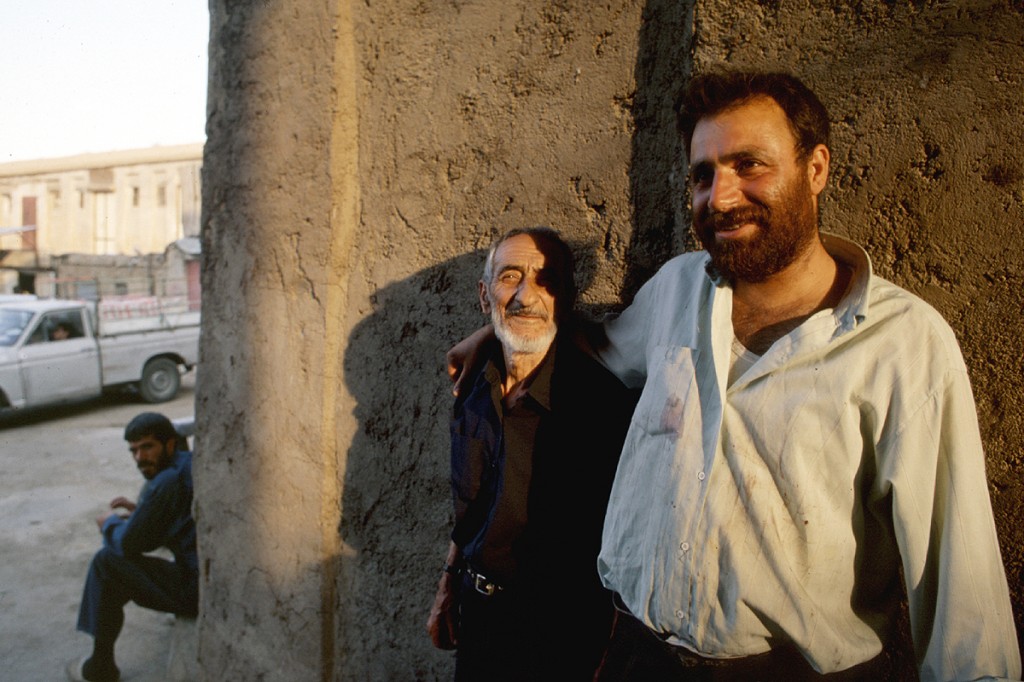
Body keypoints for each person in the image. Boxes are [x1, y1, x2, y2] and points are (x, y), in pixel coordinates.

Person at [449, 71, 1021, 681]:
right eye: (703, 174)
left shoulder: (901, 344)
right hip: (635, 658)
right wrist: (508, 323)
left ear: (816, 168)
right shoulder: (676, 291)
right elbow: (591, 345)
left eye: (750, 165)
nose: (720, 197)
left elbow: (961, 589)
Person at [427, 227, 636, 680]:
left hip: (560, 641)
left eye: (547, 280)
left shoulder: (599, 405)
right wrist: (448, 583)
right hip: (478, 620)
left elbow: (630, 547)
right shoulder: (473, 385)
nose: (526, 295)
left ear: (567, 297)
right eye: (510, 277)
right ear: (485, 296)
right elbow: (473, 503)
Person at [67, 412, 198, 682]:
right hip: (200, 580)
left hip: (194, 590)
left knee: (107, 564)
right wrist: (141, 513)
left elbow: (130, 545)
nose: (140, 458)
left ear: (170, 444)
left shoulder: (166, 480)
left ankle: (100, 667)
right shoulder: (186, 465)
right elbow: (172, 524)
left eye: (148, 447)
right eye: (134, 450)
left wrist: (109, 524)